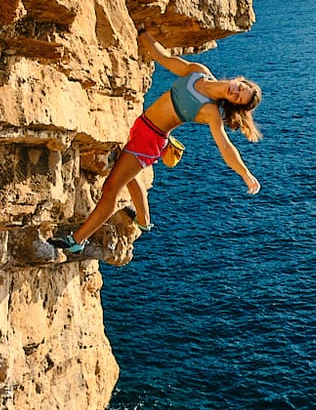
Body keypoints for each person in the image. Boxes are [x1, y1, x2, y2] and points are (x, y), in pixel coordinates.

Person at [50, 31, 262, 255]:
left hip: (150, 140)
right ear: (239, 80)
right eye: (240, 88)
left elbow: (226, 147)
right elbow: (165, 59)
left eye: (238, 97)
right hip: (141, 126)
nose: (236, 92)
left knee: (111, 188)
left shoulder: (210, 112)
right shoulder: (199, 72)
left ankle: (78, 240)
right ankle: (144, 221)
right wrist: (143, 34)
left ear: (233, 103)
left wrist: (245, 174)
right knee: (128, 173)